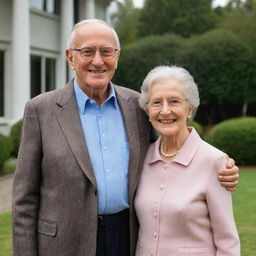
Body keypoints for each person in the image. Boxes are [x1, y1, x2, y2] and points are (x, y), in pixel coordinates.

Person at [12, 19, 239, 256]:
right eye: (87, 51)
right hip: (64, 241)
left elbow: (172, 140)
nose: (98, 61)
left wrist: (219, 167)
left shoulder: (137, 107)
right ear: (70, 57)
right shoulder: (41, 110)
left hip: (127, 236)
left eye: (106, 52)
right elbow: (24, 199)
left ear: (117, 57)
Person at [135, 65, 240, 256]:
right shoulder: (141, 158)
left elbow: (227, 241)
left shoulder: (214, 161)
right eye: (157, 102)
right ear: (148, 110)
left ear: (189, 109)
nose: (165, 111)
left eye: (174, 101)